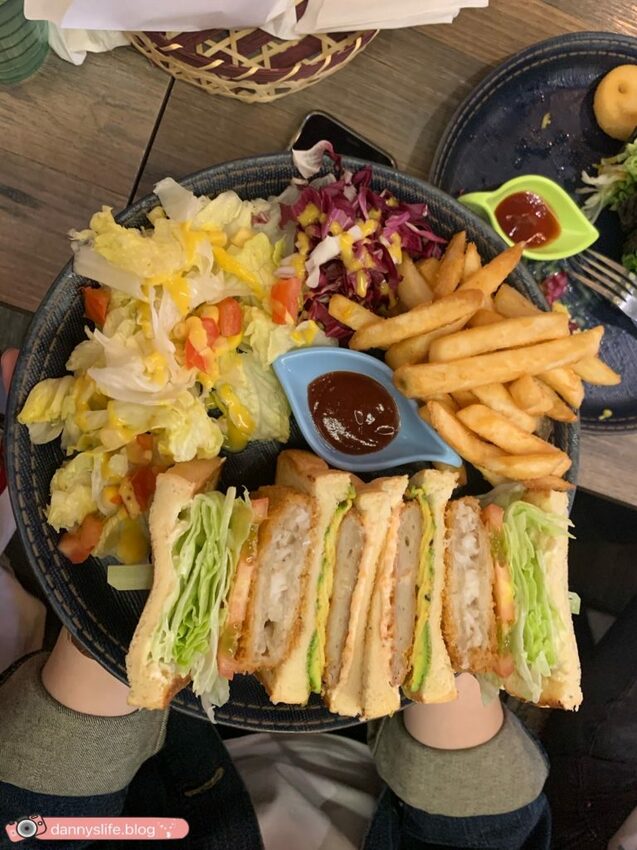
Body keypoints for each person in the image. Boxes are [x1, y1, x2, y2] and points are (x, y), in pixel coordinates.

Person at [0, 349, 550, 850]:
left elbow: (31, 825)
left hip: (159, 735)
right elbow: (489, 834)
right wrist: (443, 605)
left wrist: (142, 621)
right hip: (392, 741)